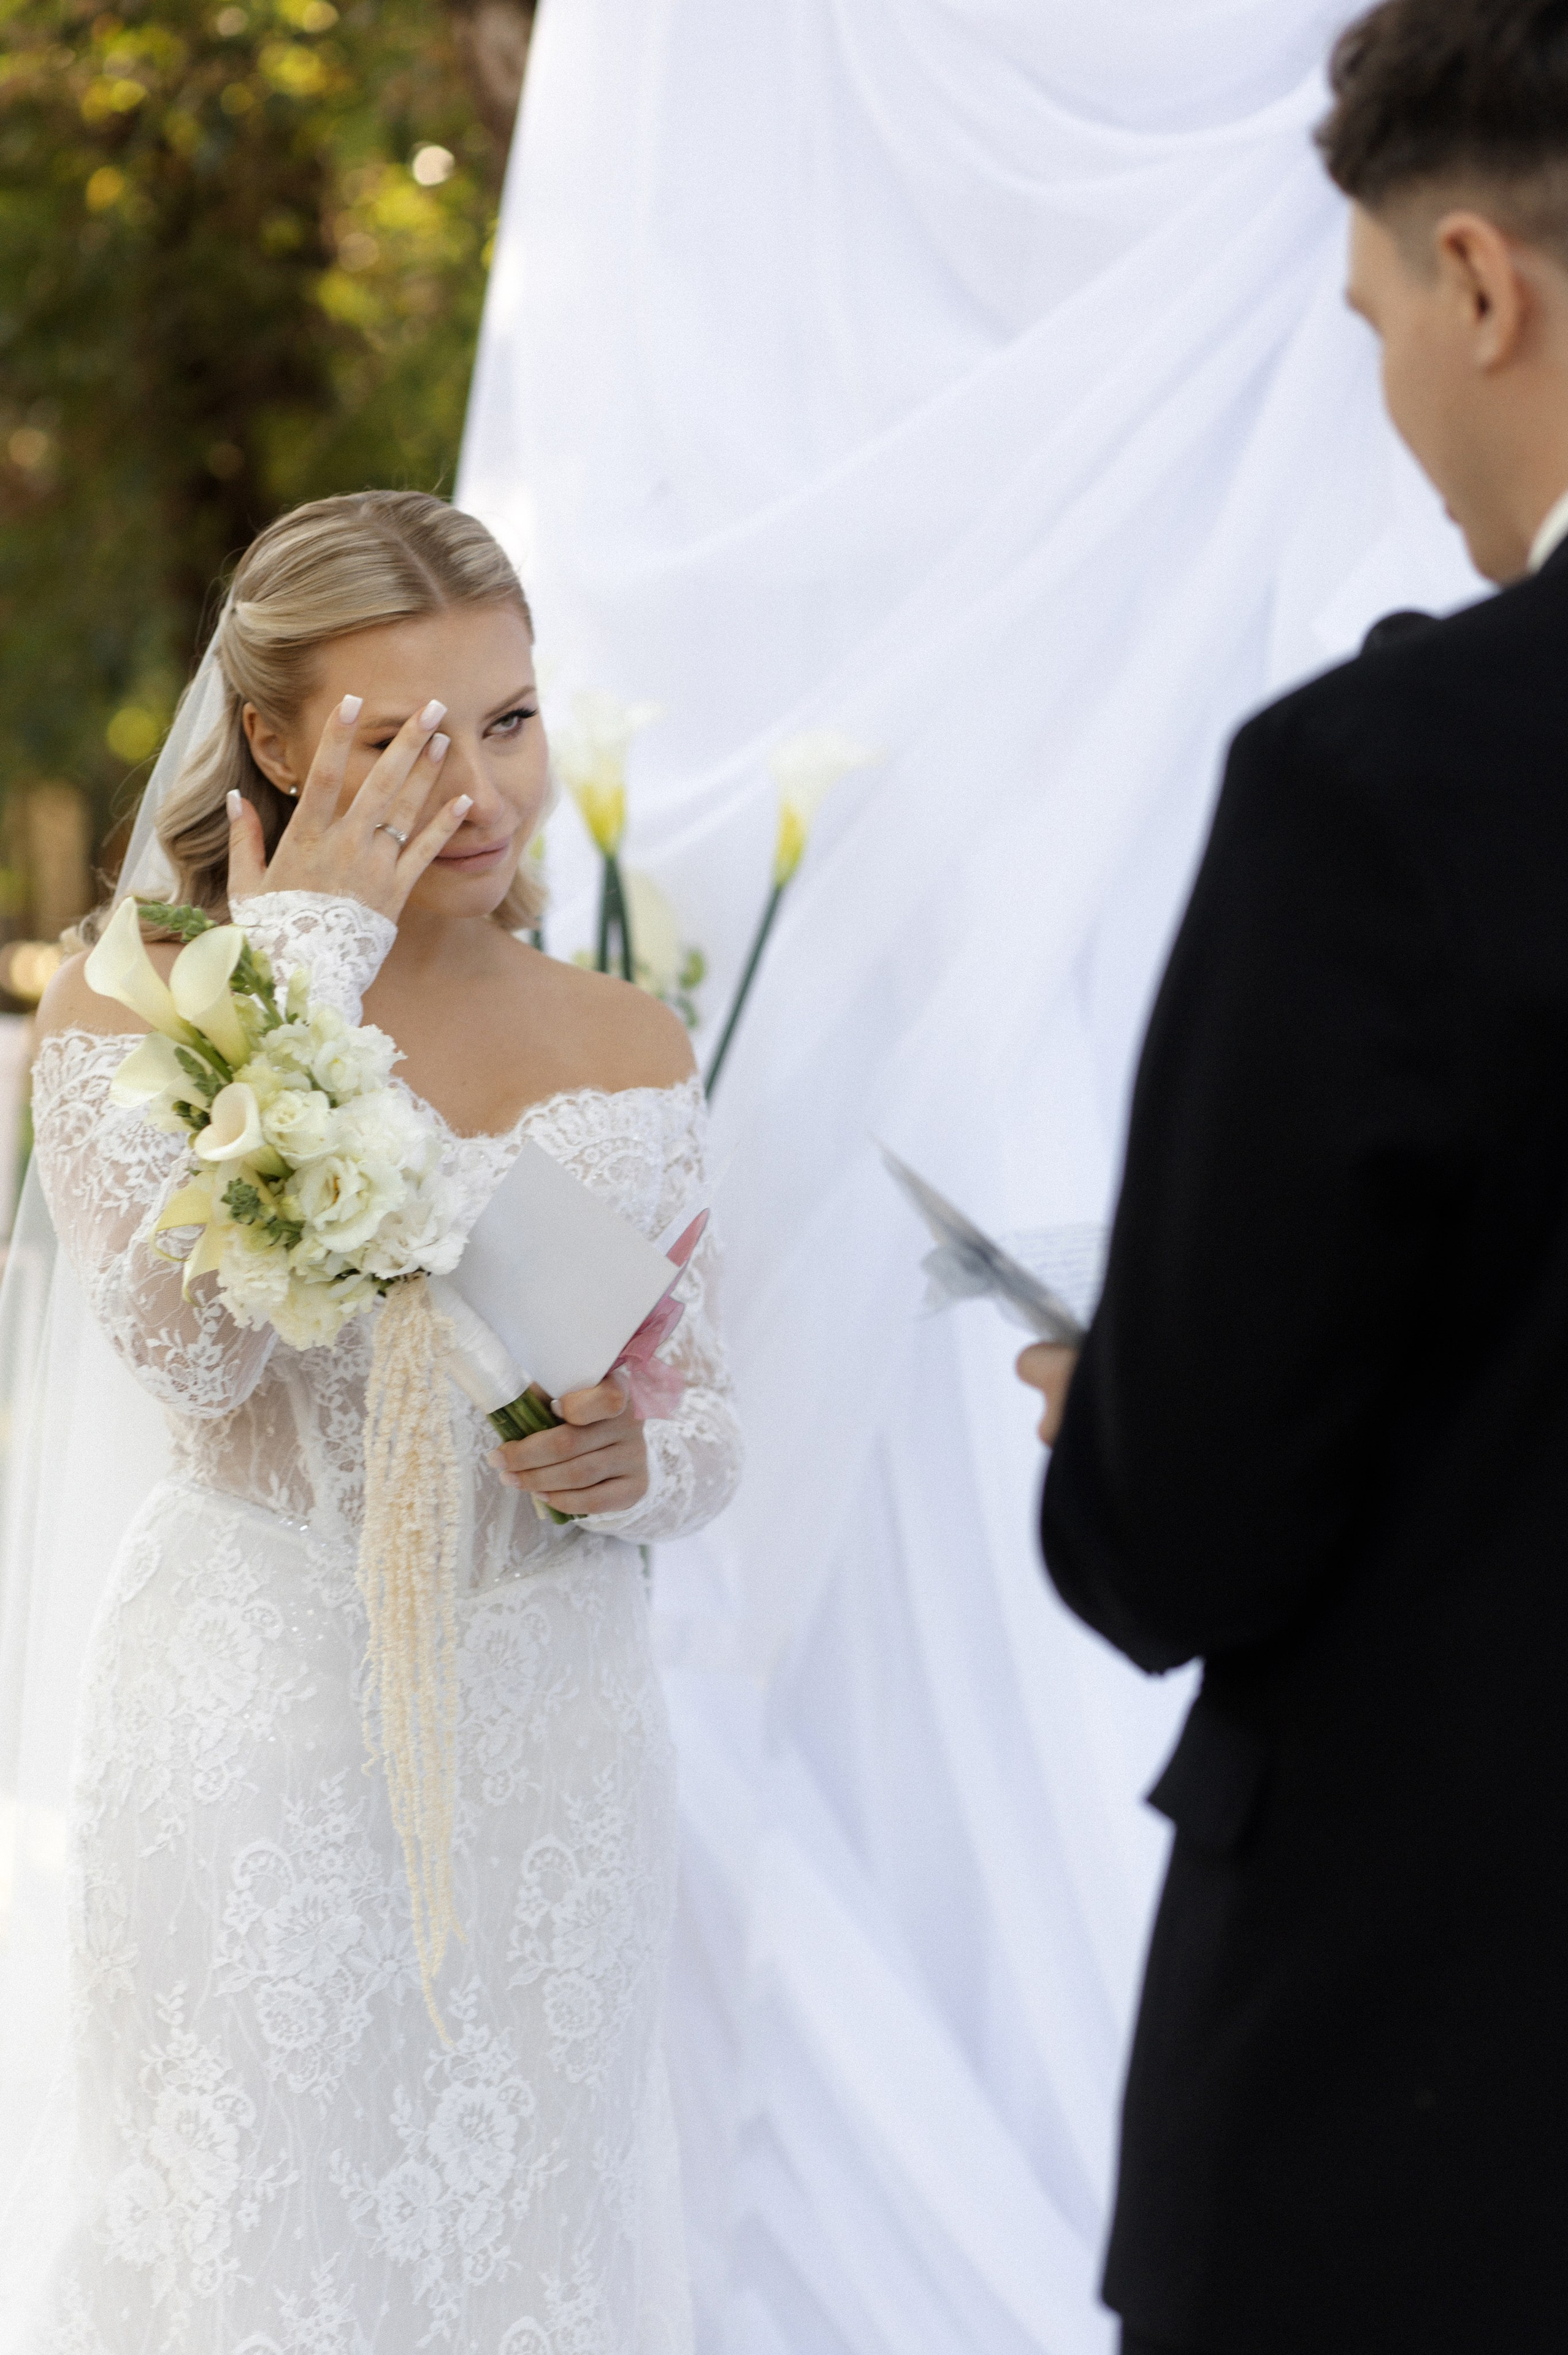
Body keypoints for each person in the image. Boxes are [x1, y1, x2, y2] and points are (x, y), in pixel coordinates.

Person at [8, 490, 741, 2350]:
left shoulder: (632, 1038)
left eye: (506, 720)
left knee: (528, 2249)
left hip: (556, 1741)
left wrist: (638, 1458)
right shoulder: (137, 1005)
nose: (478, 789)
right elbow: (183, 1354)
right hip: (253, 1722)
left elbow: (705, 1411)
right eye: (404, 738)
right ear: (267, 744)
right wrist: (302, 965)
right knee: (252, 2251)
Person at [1018, 4, 1568, 2349]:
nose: (1390, 390)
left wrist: (1115, 1410)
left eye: (1371, 327)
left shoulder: (1390, 791)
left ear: (1480, 286)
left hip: (1436, 2105)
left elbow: (1190, 1530)